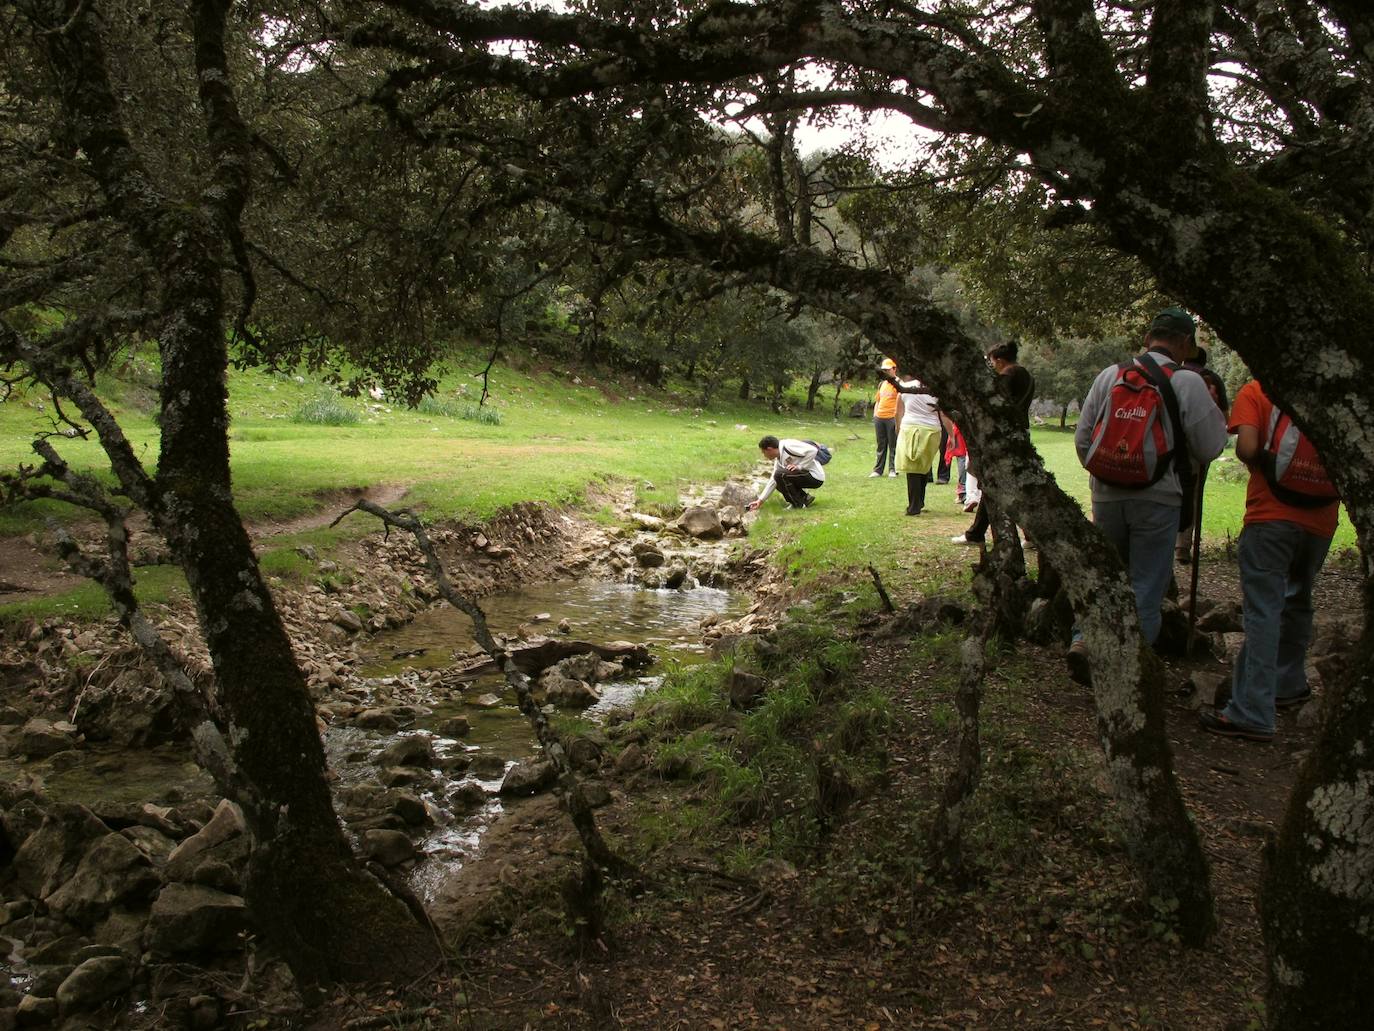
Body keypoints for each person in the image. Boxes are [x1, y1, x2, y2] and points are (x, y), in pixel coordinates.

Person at [1066, 307, 1228, 681]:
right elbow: (1209, 446)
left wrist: (1108, 473)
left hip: (1106, 496)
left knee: (1105, 576)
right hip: (1160, 497)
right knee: (1147, 584)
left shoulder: (1111, 375)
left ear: (1147, 337)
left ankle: (1084, 639)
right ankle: (1129, 668)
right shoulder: (1187, 381)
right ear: (1185, 343)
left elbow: (1083, 438)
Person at [1199, 381, 1339, 742]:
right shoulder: (1338, 389)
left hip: (1270, 516)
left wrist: (1269, 464)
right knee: (1298, 602)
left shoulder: (1260, 389)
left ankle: (1253, 711)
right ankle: (1288, 684)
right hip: (1321, 520)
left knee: (1263, 611)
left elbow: (1246, 447)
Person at [951, 340, 1035, 546]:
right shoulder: (1027, 375)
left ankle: (976, 533)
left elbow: (994, 404)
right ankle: (979, 532)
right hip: (1021, 431)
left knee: (994, 484)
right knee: (1008, 486)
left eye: (992, 361)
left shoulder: (1008, 376)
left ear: (999, 360)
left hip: (1005, 436)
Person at [892, 372, 941, 515]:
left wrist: (898, 428)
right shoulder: (935, 390)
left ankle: (913, 506)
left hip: (910, 427)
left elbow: (898, 411)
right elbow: (942, 413)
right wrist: (950, 435)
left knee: (912, 467)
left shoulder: (905, 388)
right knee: (924, 466)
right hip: (932, 429)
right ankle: (919, 501)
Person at [746, 436, 825, 511]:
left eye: (764, 452)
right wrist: (760, 501)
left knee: (780, 475)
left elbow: (813, 450)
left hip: (815, 477)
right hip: (804, 476)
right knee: (777, 479)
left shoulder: (788, 446)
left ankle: (798, 505)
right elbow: (773, 480)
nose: (764, 455)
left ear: (769, 449)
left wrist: (799, 466)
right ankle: (804, 498)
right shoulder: (779, 459)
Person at [871, 358, 900, 477]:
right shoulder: (882, 384)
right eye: (884, 370)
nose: (886, 372)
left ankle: (893, 469)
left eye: (888, 370)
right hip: (880, 417)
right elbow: (878, 400)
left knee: (893, 444)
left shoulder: (898, 383)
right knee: (881, 444)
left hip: (892, 417)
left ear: (894, 369)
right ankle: (878, 470)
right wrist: (875, 415)